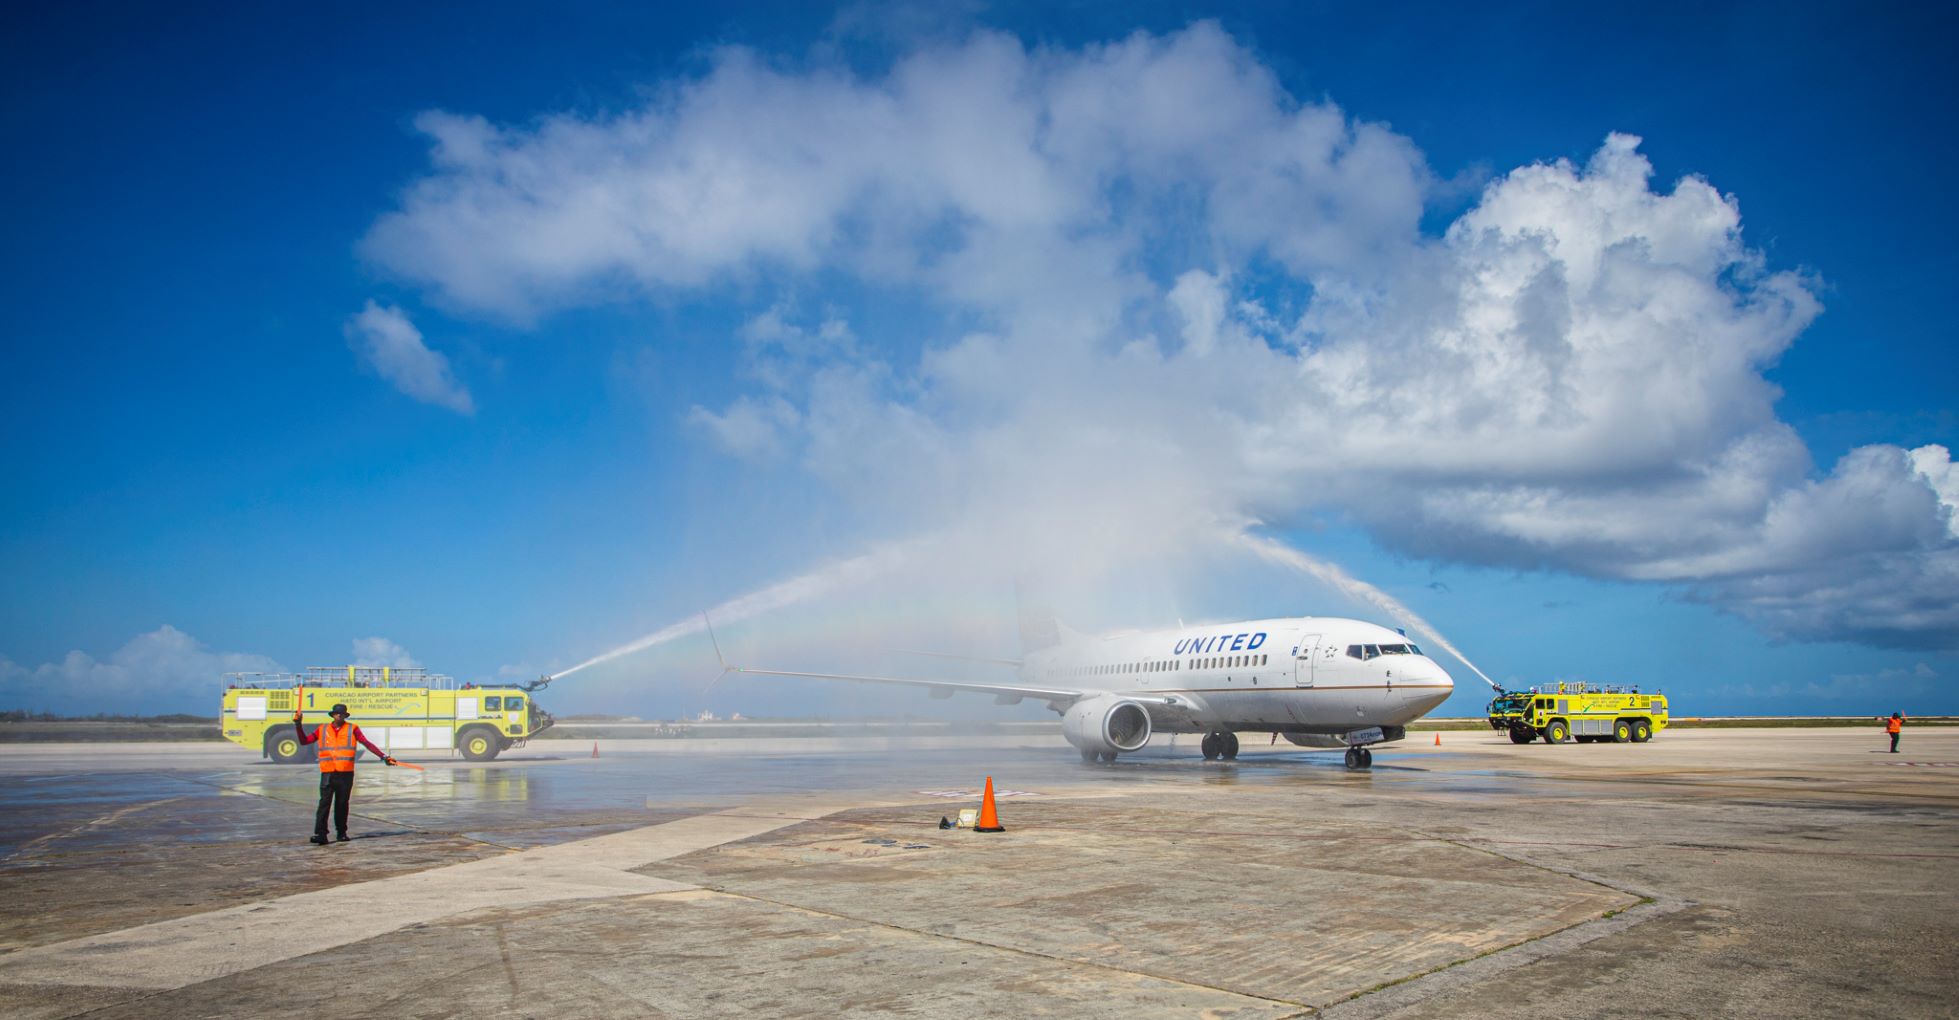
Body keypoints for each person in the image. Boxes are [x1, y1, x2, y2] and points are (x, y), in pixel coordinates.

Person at [294, 702, 398, 844]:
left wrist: (383, 756)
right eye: (337, 713)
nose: (339, 716)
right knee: (324, 804)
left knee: (342, 804)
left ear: (345, 715)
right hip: (328, 772)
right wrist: (298, 725)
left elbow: (366, 743)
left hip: (345, 773)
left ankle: (341, 833)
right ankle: (321, 834)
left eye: (342, 714)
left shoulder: (352, 729)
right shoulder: (322, 729)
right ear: (333, 715)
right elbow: (304, 741)